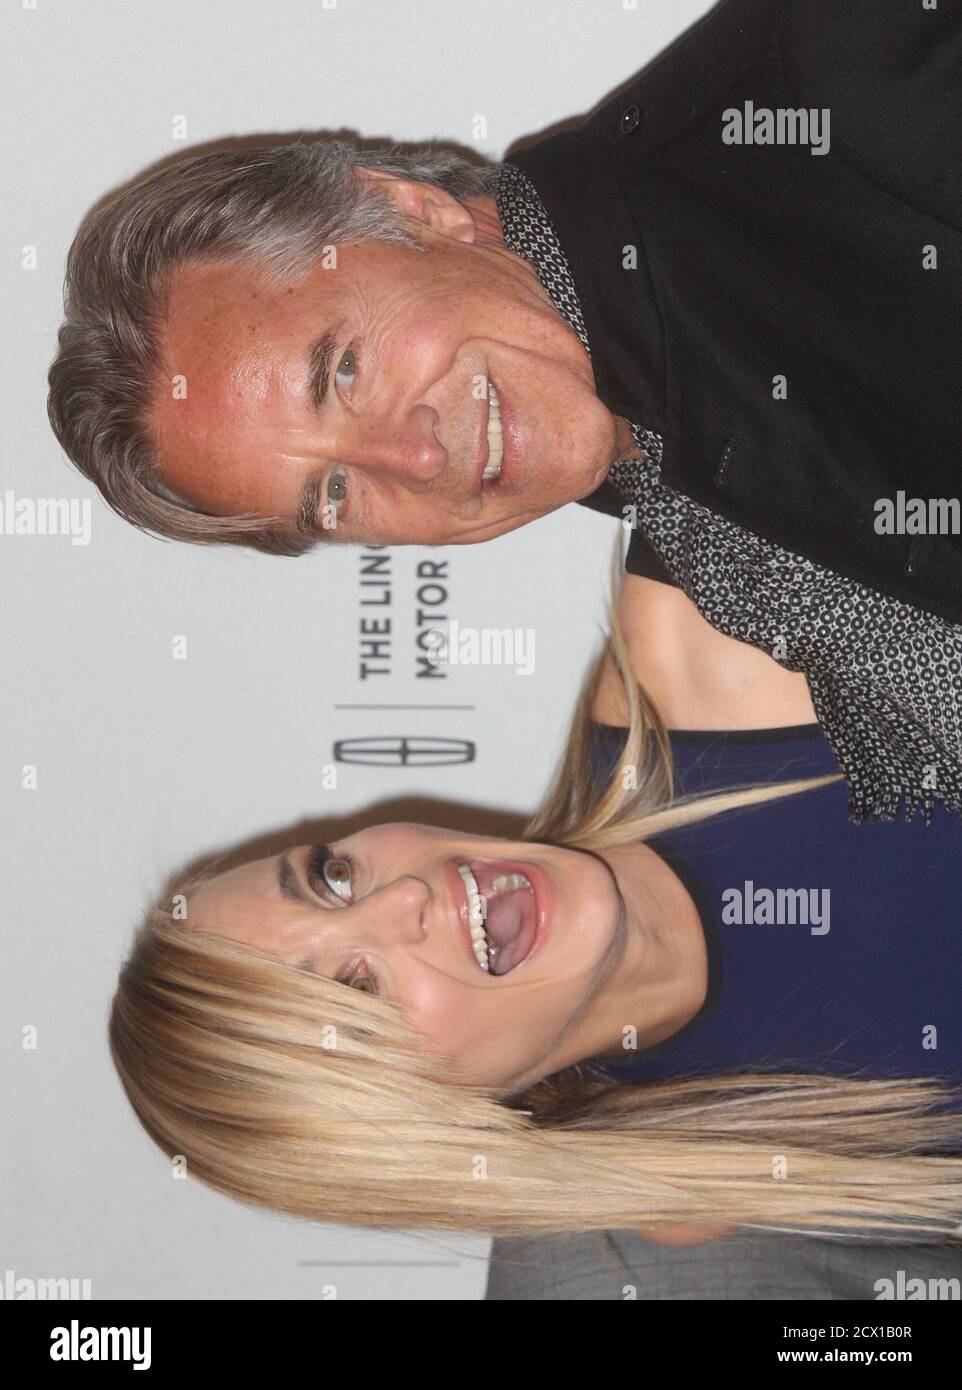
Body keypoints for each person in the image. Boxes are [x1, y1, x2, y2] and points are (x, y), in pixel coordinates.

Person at [47, 0, 962, 824]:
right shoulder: (704, 548)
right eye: (332, 494)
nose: (408, 460)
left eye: (346, 371)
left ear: (411, 212)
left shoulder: (835, 73)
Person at [108, 557, 962, 1253]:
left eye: (332, 877)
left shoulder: (705, 626)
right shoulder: (730, 1177)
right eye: (356, 994)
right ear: (428, 1130)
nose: (405, 895)